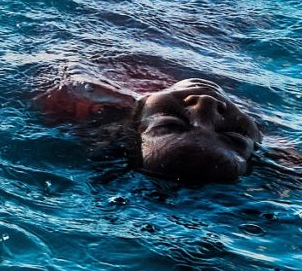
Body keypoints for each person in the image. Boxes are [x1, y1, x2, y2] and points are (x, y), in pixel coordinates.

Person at [36, 65, 267, 186]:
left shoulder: (74, 99)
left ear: (128, 128)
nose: (205, 104)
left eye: (169, 122)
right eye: (233, 138)